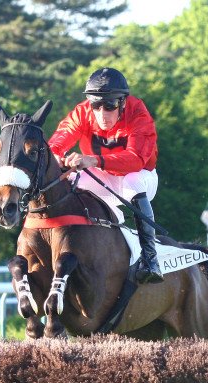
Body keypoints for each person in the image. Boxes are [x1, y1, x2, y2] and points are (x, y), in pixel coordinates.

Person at [48, 67, 162, 284]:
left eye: (110, 106)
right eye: (96, 106)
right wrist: (56, 156)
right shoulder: (82, 112)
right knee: (71, 179)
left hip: (140, 178)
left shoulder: (139, 114)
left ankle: (150, 259)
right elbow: (59, 140)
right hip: (102, 177)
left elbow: (135, 160)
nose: (102, 114)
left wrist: (93, 160)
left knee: (132, 181)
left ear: (123, 103)